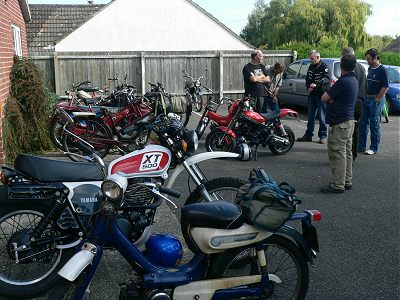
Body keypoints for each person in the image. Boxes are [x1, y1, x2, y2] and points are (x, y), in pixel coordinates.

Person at [320, 55, 358, 194]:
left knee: (337, 154)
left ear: (341, 66)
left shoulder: (343, 82)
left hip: (340, 123)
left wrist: (331, 98)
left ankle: (338, 184)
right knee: (347, 153)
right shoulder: (353, 79)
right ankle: (347, 181)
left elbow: (324, 97)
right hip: (349, 121)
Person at [357, 48, 389, 155]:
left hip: (375, 100)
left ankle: (373, 148)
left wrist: (378, 98)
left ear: (375, 58)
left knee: (374, 124)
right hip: (367, 98)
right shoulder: (370, 68)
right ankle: (361, 146)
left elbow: (385, 87)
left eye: (369, 59)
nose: (367, 61)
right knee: (363, 123)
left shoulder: (382, 70)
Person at [297, 50, 330, 144]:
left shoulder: (324, 66)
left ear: (318, 57)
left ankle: (323, 136)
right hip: (312, 95)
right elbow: (307, 78)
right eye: (310, 58)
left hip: (321, 95)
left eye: (312, 58)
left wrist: (316, 85)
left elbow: (327, 78)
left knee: (322, 117)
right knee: (310, 117)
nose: (311, 60)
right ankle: (308, 135)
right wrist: (308, 87)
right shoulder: (311, 66)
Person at [341, 47, 366, 162]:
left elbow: (346, 86)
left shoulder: (348, 69)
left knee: (345, 129)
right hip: (359, 102)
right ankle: (353, 153)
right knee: (355, 129)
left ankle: (346, 155)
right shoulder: (361, 68)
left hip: (350, 102)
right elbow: (365, 86)